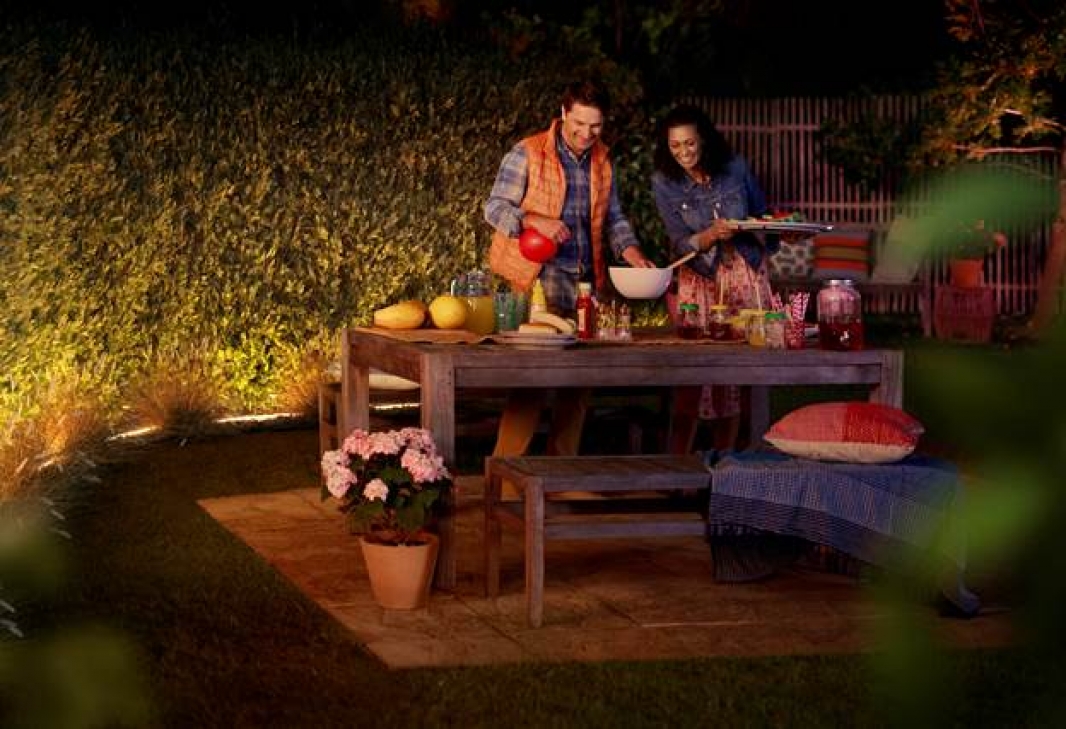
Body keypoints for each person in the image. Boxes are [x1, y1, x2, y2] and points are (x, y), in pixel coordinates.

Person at [484, 79, 654, 461]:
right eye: (579, 123)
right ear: (563, 114)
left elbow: (614, 218)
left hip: (584, 287)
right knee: (529, 386)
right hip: (535, 285)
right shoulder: (528, 152)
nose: (586, 133)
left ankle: (560, 475)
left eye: (595, 126)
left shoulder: (603, 160)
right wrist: (533, 220)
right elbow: (493, 208)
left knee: (578, 387)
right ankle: (503, 475)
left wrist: (632, 252)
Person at [651, 104, 780, 453]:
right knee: (693, 372)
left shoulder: (734, 167)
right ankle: (678, 466)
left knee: (739, 374)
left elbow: (762, 214)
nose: (683, 152)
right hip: (700, 276)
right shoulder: (664, 181)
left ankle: (731, 462)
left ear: (704, 139)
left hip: (744, 271)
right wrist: (709, 236)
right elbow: (678, 240)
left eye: (690, 143)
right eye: (675, 145)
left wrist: (779, 232)